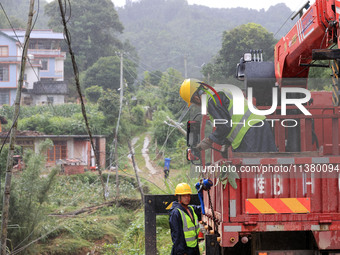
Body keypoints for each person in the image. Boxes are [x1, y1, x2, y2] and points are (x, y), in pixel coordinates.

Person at [179, 78, 277, 152]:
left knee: (254, 171)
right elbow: (230, 119)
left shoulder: (212, 100)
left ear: (196, 98)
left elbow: (224, 125)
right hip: (260, 126)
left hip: (250, 133)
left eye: (195, 104)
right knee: (270, 168)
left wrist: (208, 141)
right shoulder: (219, 92)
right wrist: (226, 143)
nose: (197, 106)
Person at [169, 183, 201, 255]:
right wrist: (182, 252)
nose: (187, 198)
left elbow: (202, 209)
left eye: (188, 195)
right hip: (184, 250)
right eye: (184, 196)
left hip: (194, 248)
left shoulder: (191, 209)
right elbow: (177, 235)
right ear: (178, 197)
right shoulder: (176, 213)